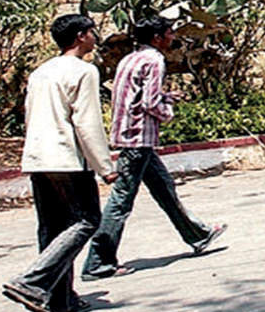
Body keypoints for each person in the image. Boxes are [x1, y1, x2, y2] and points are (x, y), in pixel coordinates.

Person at [82, 15, 226, 280]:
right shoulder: (155, 60)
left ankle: (198, 234)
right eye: (170, 33)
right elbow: (149, 103)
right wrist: (167, 109)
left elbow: (134, 95)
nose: (173, 38)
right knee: (121, 200)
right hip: (139, 138)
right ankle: (98, 262)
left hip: (132, 135)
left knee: (164, 189)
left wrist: (166, 96)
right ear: (158, 38)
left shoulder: (130, 58)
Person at [3, 14, 117, 312]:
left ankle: (58, 299)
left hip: (39, 157)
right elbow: (87, 122)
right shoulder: (84, 71)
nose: (95, 37)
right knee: (87, 220)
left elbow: (30, 115)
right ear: (80, 36)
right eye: (92, 33)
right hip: (67, 157)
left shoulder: (41, 71)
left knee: (52, 227)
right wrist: (104, 165)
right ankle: (32, 281)